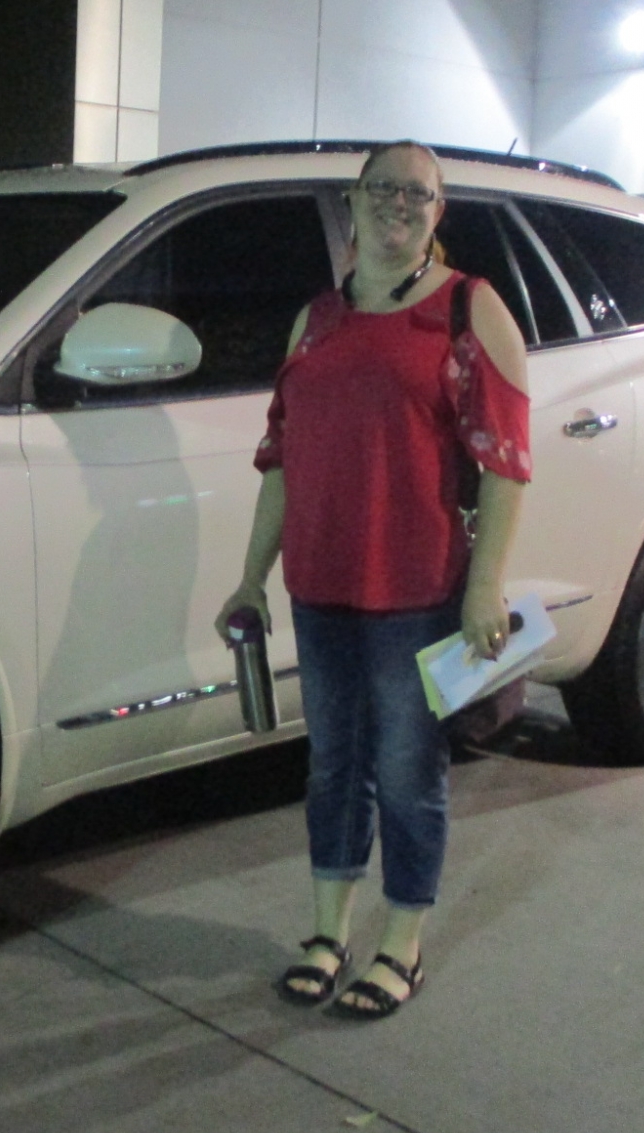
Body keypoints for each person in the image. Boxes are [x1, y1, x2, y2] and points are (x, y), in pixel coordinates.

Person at [216, 141, 531, 1020]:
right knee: (333, 767)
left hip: (416, 590)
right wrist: (251, 578)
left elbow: (506, 463)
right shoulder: (317, 320)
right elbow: (281, 457)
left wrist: (485, 585)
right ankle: (328, 934)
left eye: (417, 193)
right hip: (320, 587)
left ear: (438, 212)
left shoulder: (469, 309)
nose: (398, 203)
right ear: (353, 202)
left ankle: (401, 945)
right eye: (383, 188)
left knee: (406, 772)